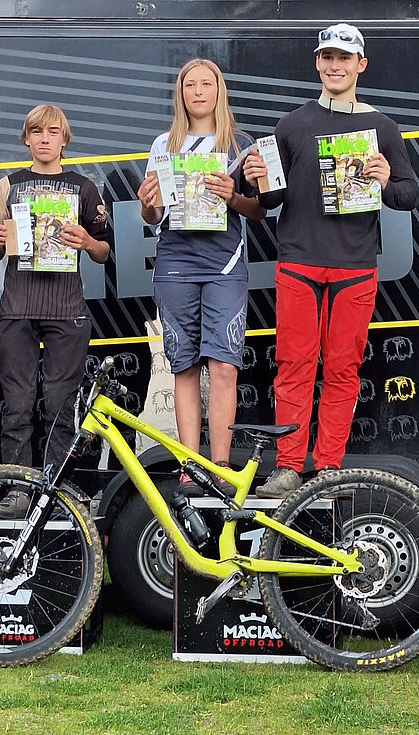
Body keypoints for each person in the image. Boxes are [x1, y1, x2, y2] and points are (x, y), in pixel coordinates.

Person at [242, 23, 419, 497]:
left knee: (343, 369)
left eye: (344, 58)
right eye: (327, 57)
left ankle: (328, 467)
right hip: (298, 261)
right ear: (317, 64)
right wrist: (256, 178)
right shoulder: (292, 124)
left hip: (355, 267)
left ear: (361, 65)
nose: (335, 66)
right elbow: (271, 199)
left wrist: (384, 179)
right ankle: (288, 466)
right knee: (294, 364)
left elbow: (408, 195)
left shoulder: (381, 127)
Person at [136, 59, 265, 482]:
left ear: (218, 90)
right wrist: (146, 201)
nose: (197, 92)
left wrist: (232, 197)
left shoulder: (241, 143)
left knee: (224, 365)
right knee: (184, 365)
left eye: (205, 84)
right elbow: (153, 217)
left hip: (224, 263)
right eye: (189, 85)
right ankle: (191, 465)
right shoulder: (163, 144)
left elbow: (259, 211)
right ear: (180, 93)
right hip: (175, 262)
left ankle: (221, 463)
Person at [0, 104, 109, 510]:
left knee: (60, 407)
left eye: (52, 132)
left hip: (66, 310)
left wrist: (87, 243)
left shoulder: (83, 188)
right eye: (36, 132)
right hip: (18, 307)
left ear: (64, 139)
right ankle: (18, 491)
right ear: (26, 139)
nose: (44, 139)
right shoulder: (9, 185)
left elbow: (106, 252)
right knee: (17, 405)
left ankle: (55, 494)